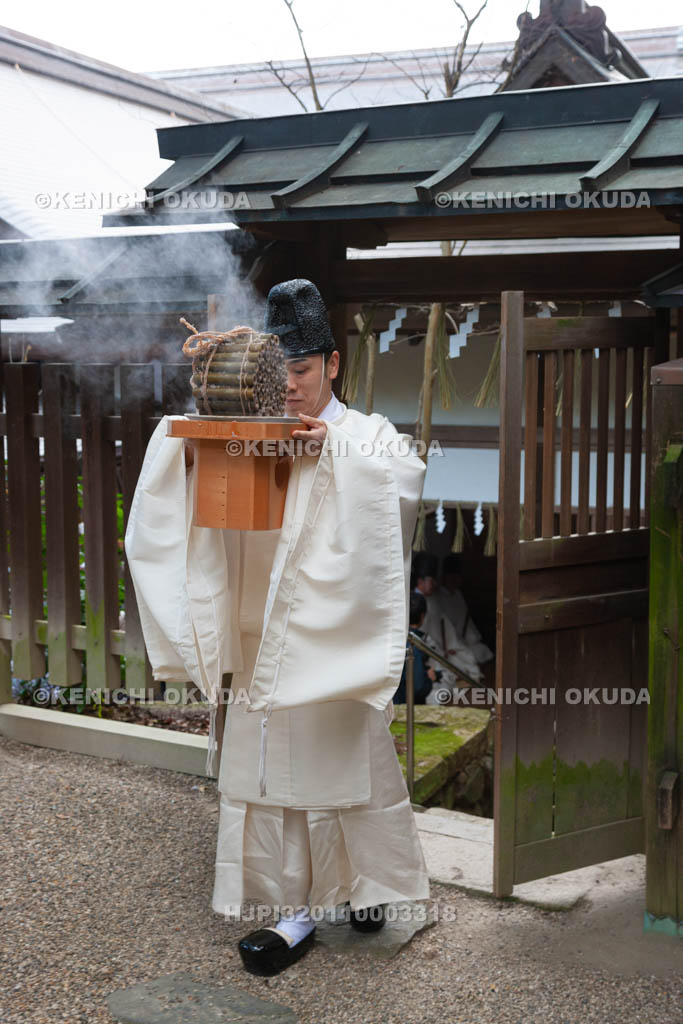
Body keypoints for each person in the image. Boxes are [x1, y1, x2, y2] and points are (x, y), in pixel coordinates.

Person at [125, 279, 430, 978]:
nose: (288, 387)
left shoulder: (369, 436)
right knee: (277, 778)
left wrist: (336, 458)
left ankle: (361, 889)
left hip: (330, 644)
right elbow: (177, 484)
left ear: (331, 365)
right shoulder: (247, 432)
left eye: (299, 370)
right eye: (278, 372)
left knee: (350, 770)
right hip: (263, 639)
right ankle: (296, 912)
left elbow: (400, 483)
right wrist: (189, 447)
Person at [394, 590, 437, 705]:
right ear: (422, 616)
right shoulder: (413, 646)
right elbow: (417, 689)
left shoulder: (393, 636)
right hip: (405, 707)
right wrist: (428, 679)